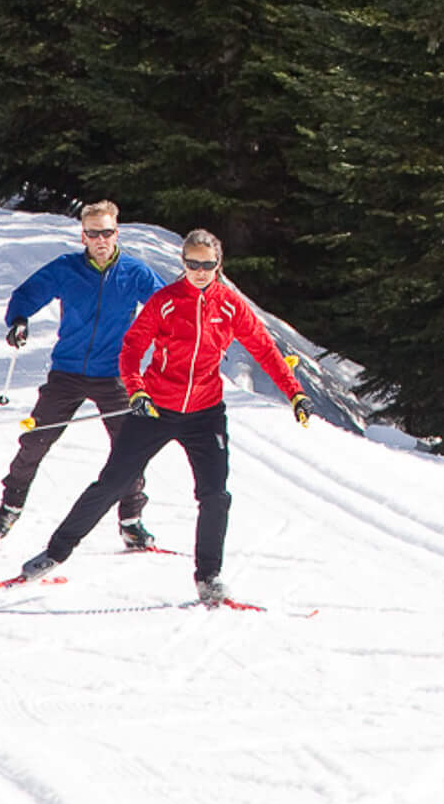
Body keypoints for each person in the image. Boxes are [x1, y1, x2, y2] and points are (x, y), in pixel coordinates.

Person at [16, 228, 310, 606]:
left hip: (205, 414)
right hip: (155, 408)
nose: (200, 271)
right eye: (192, 264)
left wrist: (295, 393)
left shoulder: (231, 306)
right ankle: (55, 552)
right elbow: (132, 347)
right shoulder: (166, 301)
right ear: (182, 263)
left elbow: (266, 351)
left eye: (208, 264)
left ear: (219, 264)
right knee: (112, 482)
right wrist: (136, 389)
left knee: (215, 495)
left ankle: (209, 577)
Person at [0, 200, 165, 548]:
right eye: (93, 233)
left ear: (117, 233)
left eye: (108, 232)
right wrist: (19, 320)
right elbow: (27, 294)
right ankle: (10, 505)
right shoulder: (66, 268)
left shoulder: (134, 273)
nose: (101, 239)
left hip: (114, 375)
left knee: (130, 448)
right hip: (67, 372)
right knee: (36, 440)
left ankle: (131, 520)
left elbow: (168, 308)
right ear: (82, 235)